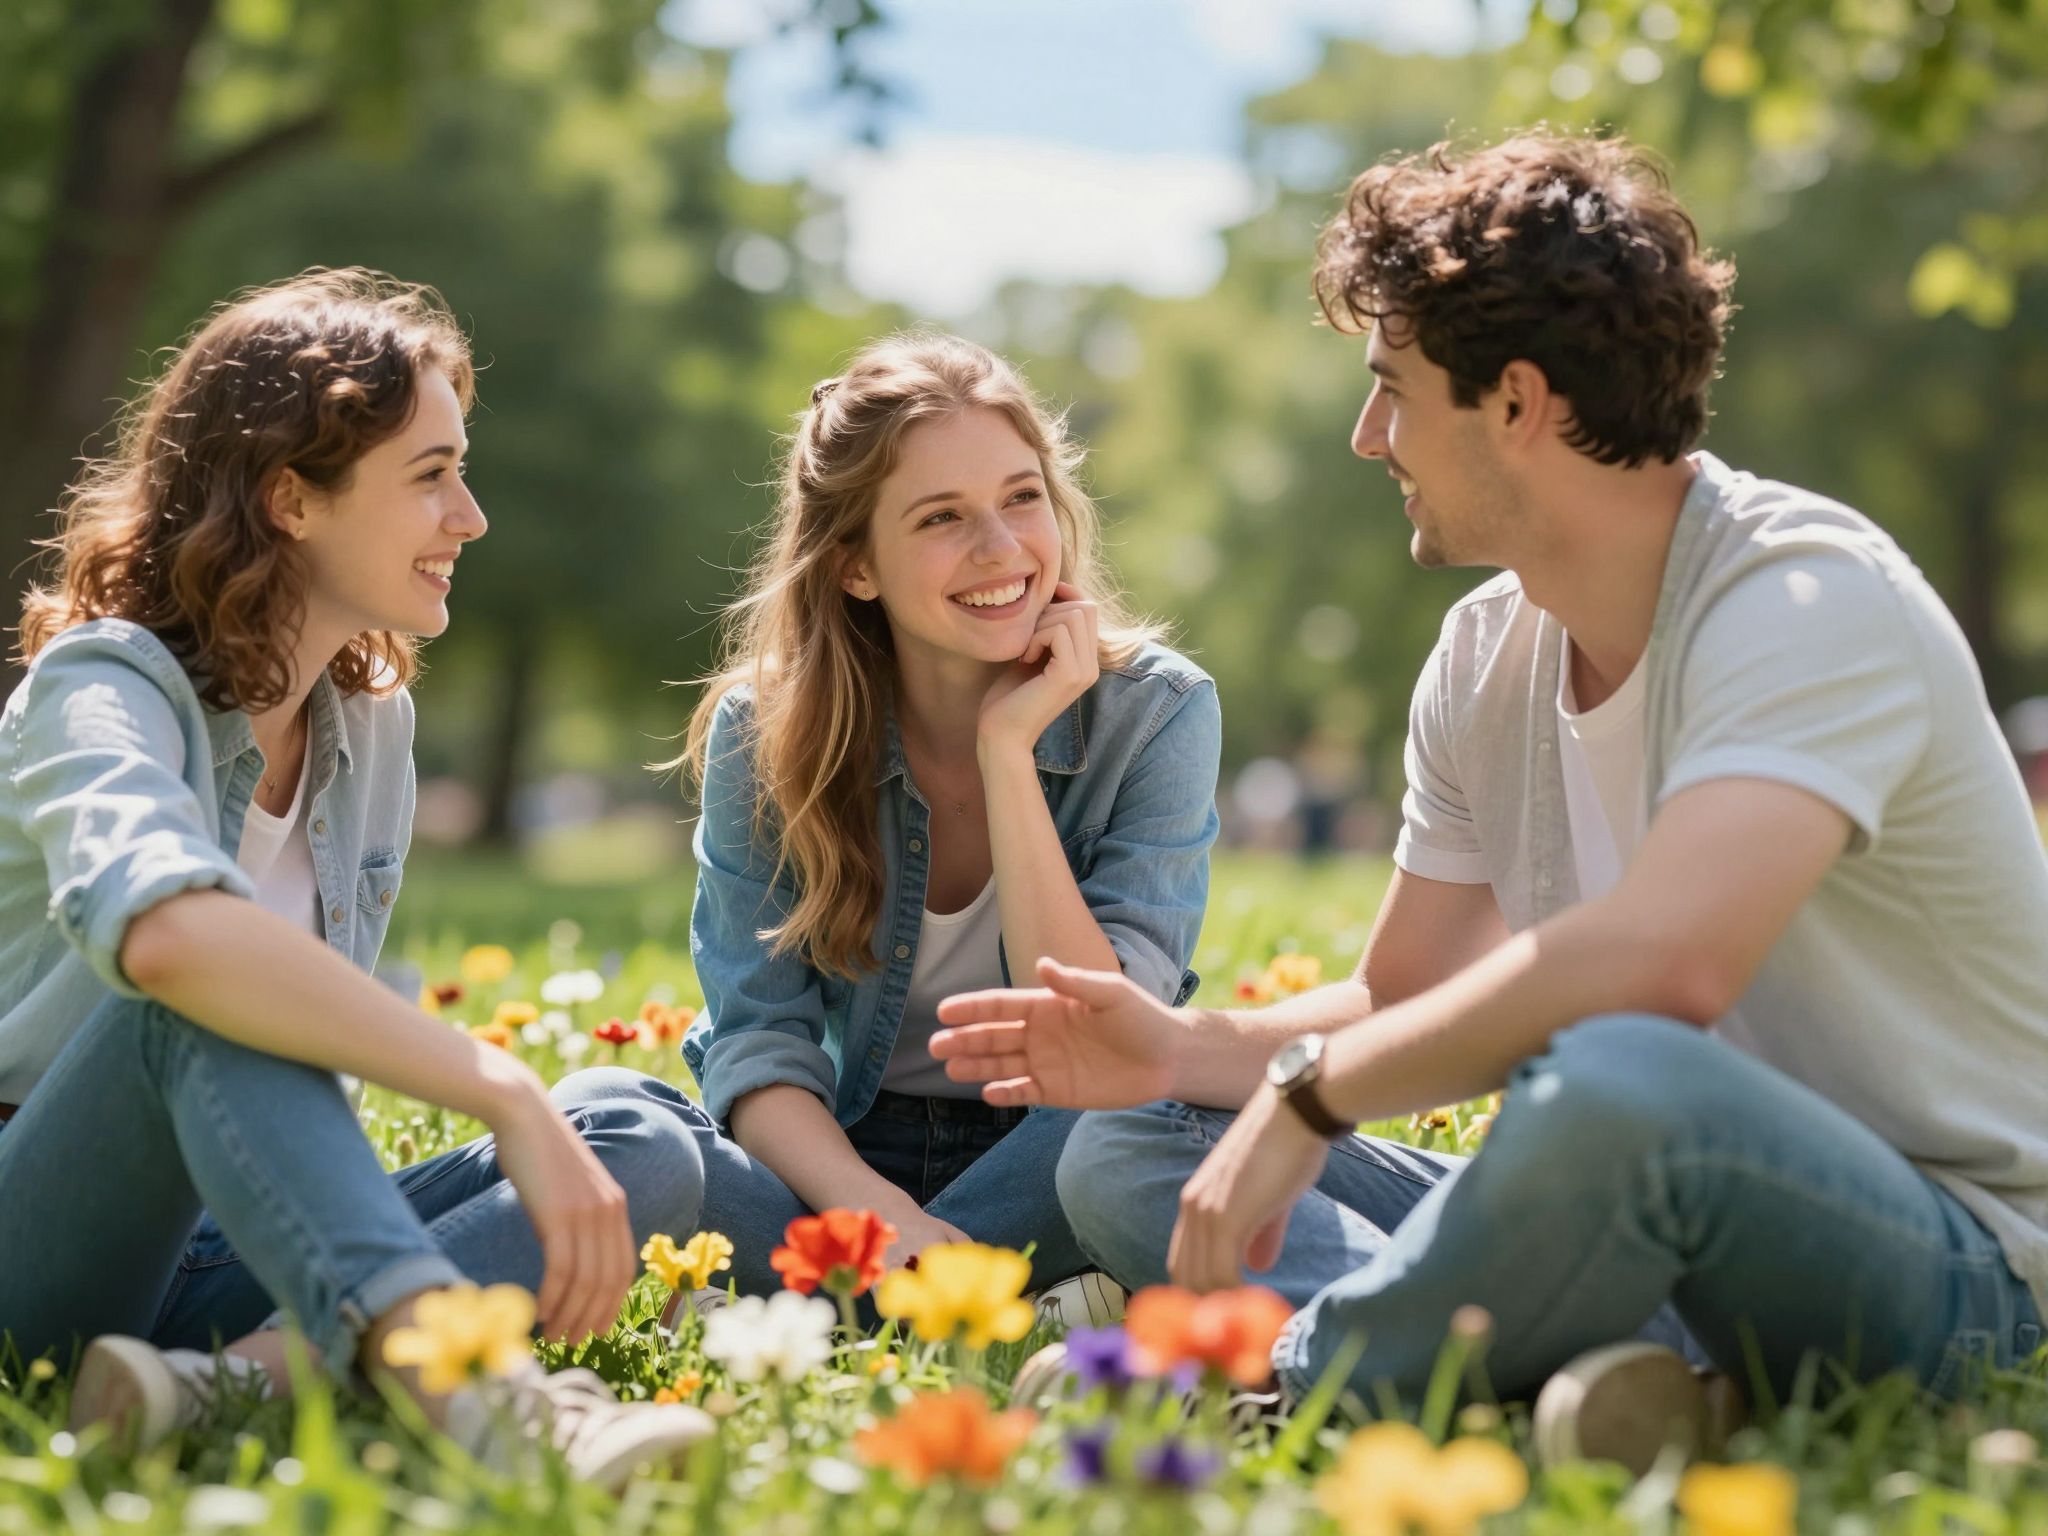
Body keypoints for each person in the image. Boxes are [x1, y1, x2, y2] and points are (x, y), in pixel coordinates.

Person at [932, 133, 2047, 1466]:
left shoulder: (1806, 600)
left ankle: (1285, 1380)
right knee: (1128, 1142)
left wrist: (1307, 1099)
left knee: (1624, 1073)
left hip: (1965, 1271)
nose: (1367, 437)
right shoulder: (1484, 653)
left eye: (1392, 391)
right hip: (1651, 1210)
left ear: (1515, 402)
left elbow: (1669, 963)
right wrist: (1176, 1055)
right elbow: (1398, 997)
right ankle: (1597, 1378)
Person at [0, 269, 711, 1487]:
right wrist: (499, 1088)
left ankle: (215, 1386)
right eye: (429, 476)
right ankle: (470, 1391)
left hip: (226, 1235)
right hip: (39, 1233)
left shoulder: (367, 725)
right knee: (198, 998)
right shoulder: (102, 688)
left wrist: (543, 1116)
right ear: (289, 497)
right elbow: (170, 939)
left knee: (637, 1147)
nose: (470, 516)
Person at [638, 331, 1219, 1307]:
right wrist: (878, 1222)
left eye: (1020, 497)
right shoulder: (764, 728)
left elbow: (1099, 1039)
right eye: (941, 517)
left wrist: (1007, 753)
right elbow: (759, 1047)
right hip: (832, 1157)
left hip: (1059, 1150)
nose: (1000, 550)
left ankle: (844, 1306)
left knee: (1146, 1128)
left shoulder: (1157, 712)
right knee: (614, 1123)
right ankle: (980, 1300)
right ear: (855, 567)